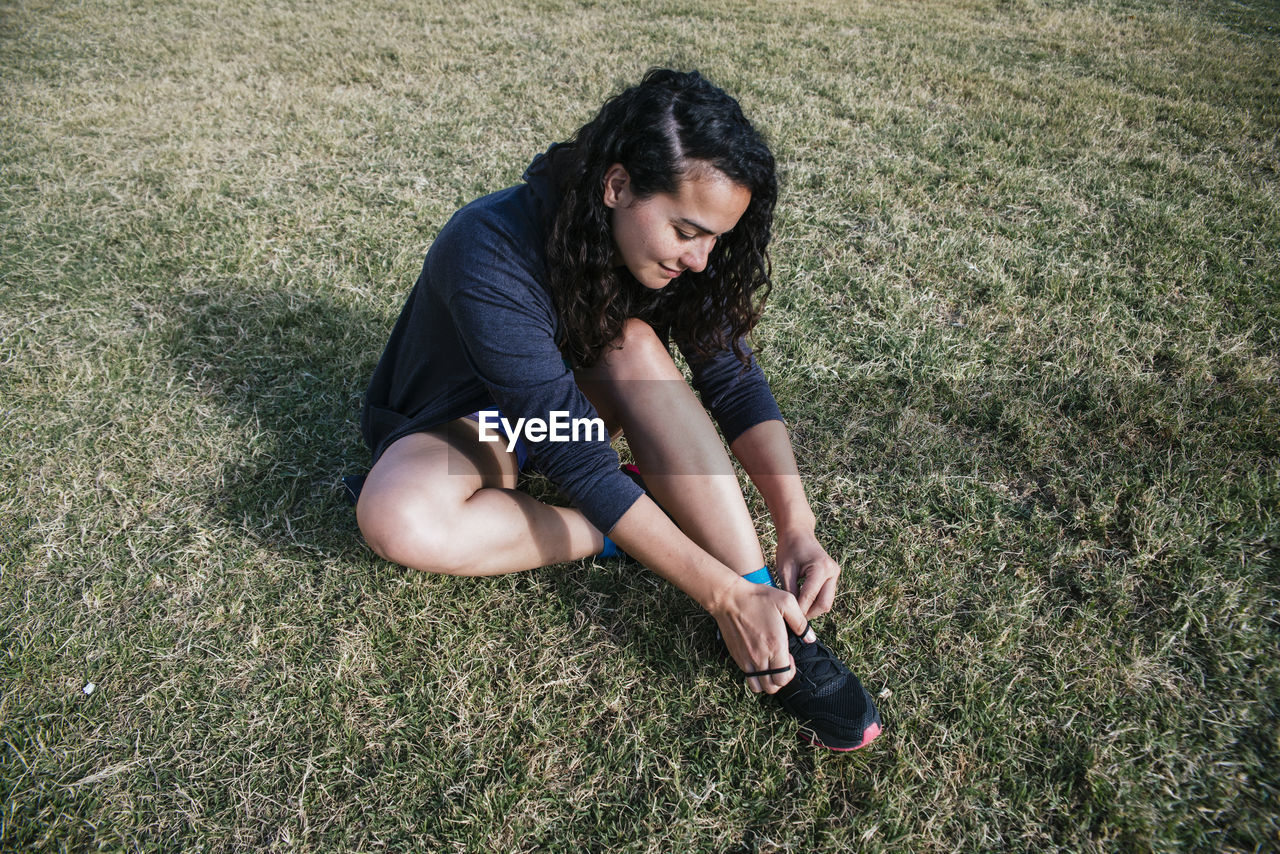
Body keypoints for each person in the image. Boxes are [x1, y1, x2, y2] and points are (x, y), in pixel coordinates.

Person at [354, 68, 880, 751]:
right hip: (470, 421)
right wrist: (714, 595)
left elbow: (732, 380)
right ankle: (641, 545)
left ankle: (770, 612)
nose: (701, 259)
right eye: (688, 231)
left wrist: (797, 525)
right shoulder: (486, 247)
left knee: (631, 343)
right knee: (397, 515)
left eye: (716, 238)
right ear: (618, 185)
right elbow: (570, 451)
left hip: (575, 402)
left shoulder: (687, 256)